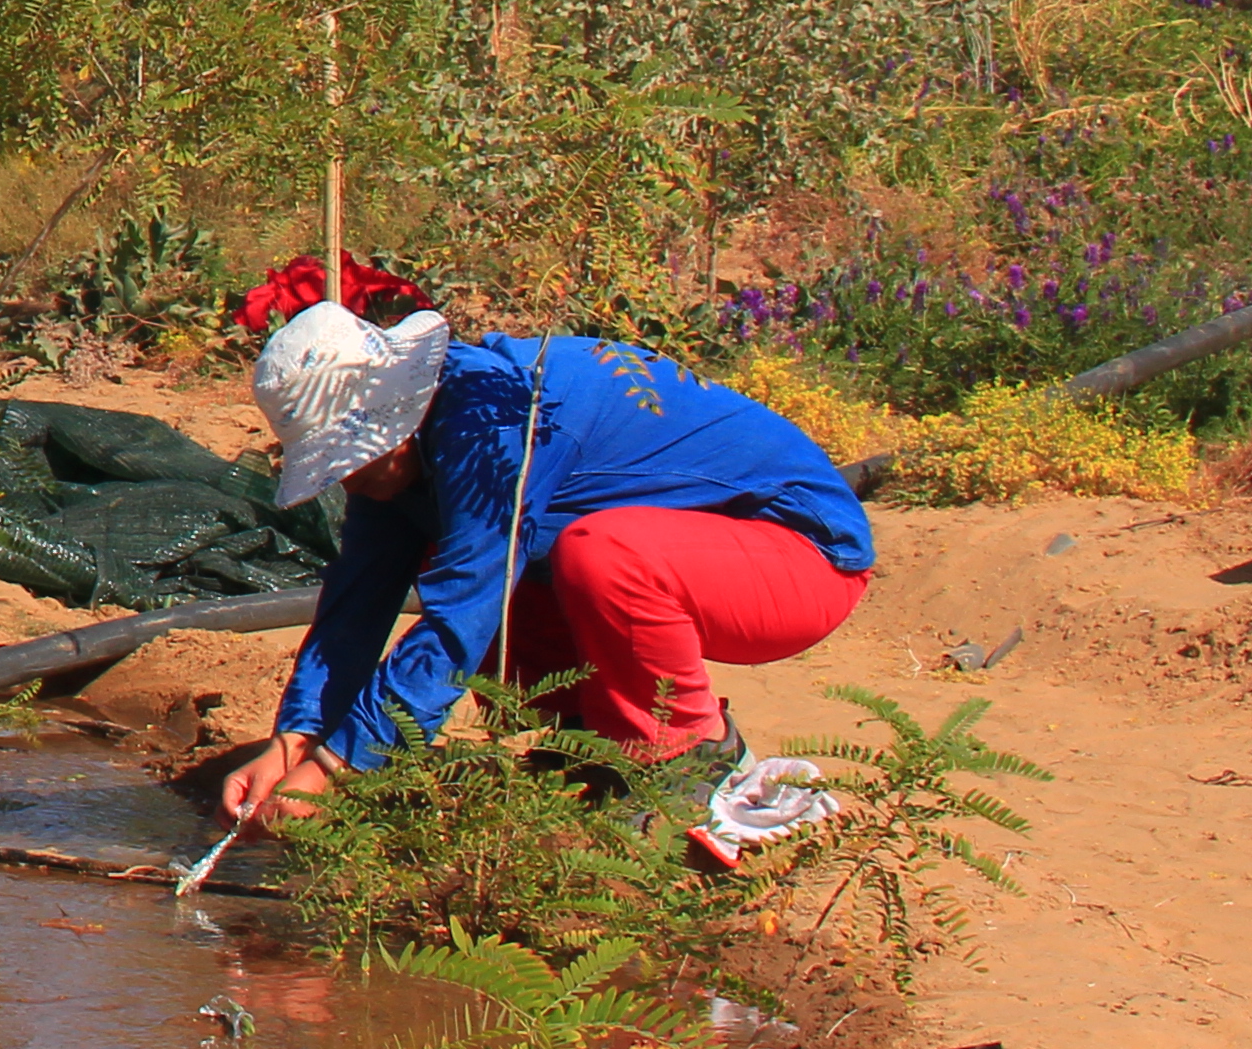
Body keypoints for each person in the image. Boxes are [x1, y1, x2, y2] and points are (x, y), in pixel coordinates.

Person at [214, 302, 873, 868]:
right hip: (689, 558)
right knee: (502, 558)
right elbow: (354, 608)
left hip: (801, 563)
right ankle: (588, 746)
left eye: (347, 460)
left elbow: (456, 623)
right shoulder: (397, 462)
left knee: (595, 556)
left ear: (395, 420)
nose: (343, 481)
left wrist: (336, 771)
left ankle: (692, 760)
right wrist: (292, 742)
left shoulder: (493, 427)